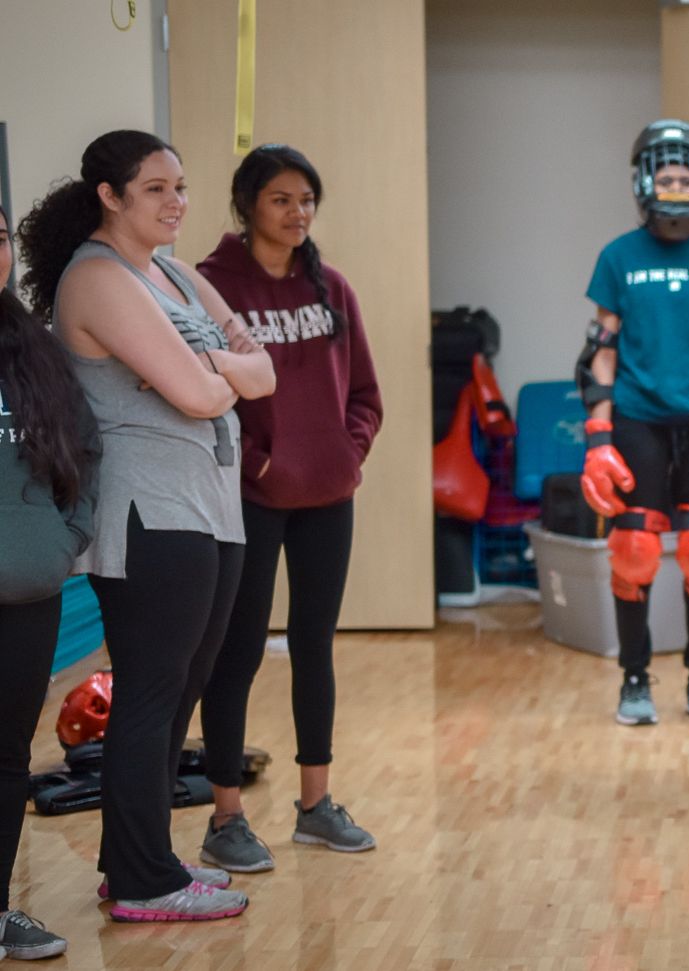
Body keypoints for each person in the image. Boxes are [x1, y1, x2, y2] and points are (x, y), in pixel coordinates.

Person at [21, 129, 275, 921]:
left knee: (183, 687)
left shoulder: (170, 273)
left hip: (208, 504)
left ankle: (142, 858)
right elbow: (203, 397)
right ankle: (141, 878)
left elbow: (259, 373)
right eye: (157, 189)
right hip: (149, 511)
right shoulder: (96, 279)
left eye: (181, 186)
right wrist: (215, 373)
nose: (177, 202)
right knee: (151, 691)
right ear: (110, 196)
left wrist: (211, 368)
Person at [193, 144, 383, 872]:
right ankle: (226, 815)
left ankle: (315, 804)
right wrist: (258, 463)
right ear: (247, 205)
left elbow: (365, 392)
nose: (298, 213)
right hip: (250, 498)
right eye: (281, 199)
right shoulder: (212, 287)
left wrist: (346, 451)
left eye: (307, 200)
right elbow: (203, 401)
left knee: (314, 645)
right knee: (235, 653)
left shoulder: (330, 287)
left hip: (328, 496)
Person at [577, 119, 689, 727]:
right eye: (665, 178)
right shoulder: (618, 257)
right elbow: (600, 352)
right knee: (633, 550)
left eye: (685, 178)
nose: (675, 188)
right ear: (645, 183)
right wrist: (598, 439)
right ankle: (633, 678)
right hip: (637, 420)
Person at [0, 202, 99, 960]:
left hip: (27, 592)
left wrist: (64, 540)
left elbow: (84, 452)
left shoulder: (35, 349)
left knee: (8, 758)